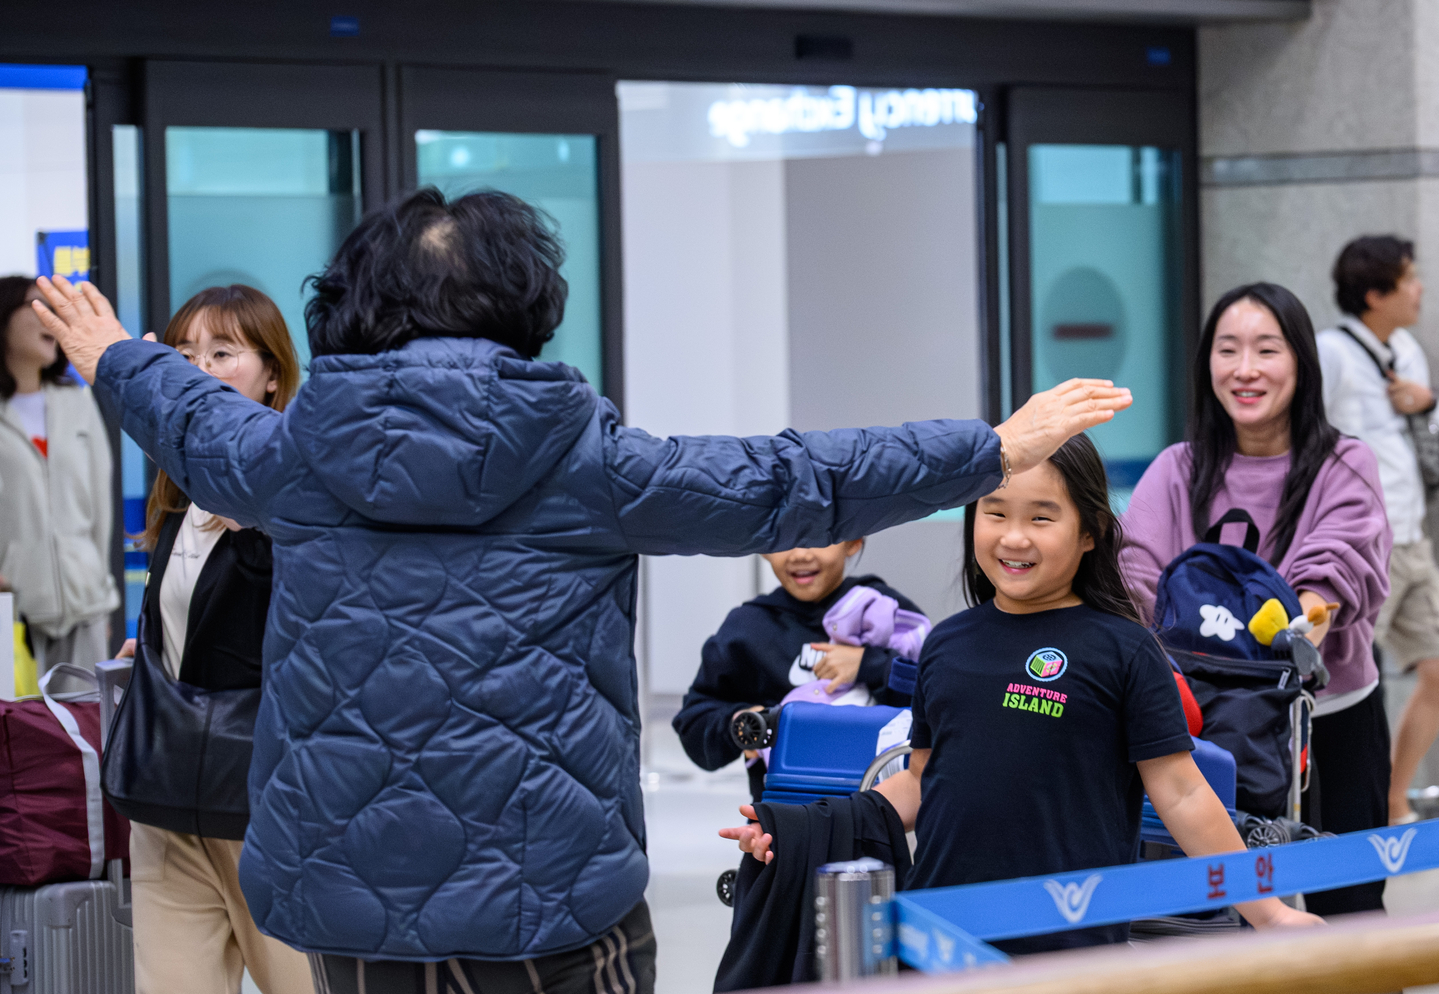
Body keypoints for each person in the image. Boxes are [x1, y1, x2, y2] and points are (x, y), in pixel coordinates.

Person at [32, 187, 1130, 994]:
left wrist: (113, 352)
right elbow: (791, 479)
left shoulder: (294, 456)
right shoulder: (586, 462)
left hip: (348, 902)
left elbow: (189, 416)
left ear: (355, 308)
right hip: (548, 898)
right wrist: (984, 449)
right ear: (525, 309)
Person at [722, 433, 1322, 954]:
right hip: (941, 932)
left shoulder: (1125, 650)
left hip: (1069, 939)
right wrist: (796, 827)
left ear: (1090, 532)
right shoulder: (947, 643)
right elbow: (923, 779)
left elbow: (1184, 794)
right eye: (995, 512)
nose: (1013, 538)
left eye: (1041, 517)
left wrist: (1266, 912)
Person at [1121, 282, 1391, 916]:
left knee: (1347, 909)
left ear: (1301, 361)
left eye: (1266, 350)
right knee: (1216, 917)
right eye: (1227, 349)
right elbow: (1134, 579)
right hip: (1204, 730)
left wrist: (1305, 619)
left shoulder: (1345, 464)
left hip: (1329, 721)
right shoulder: (1175, 469)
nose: (1245, 370)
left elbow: (1334, 573)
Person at [111, 286, 312, 994]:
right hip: (168, 792)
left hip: (268, 807)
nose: (196, 368)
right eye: (182, 353)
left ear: (274, 378)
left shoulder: (300, 507)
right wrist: (159, 648)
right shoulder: (180, 498)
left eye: (222, 353)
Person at [1316, 236, 1439, 825]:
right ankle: (1343, 807)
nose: (1419, 289)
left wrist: (1426, 400)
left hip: (1414, 539)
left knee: (1437, 674)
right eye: (1409, 279)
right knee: (1348, 686)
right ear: (1374, 295)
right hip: (1364, 549)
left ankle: (1393, 797)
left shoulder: (1409, 349)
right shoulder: (1330, 353)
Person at [673, 540, 926, 802]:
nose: (801, 554)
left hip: (884, 814)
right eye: (786, 538)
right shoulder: (746, 628)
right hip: (780, 823)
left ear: (852, 541)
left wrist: (869, 665)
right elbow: (693, 724)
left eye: (818, 537)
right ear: (763, 543)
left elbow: (938, 694)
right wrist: (743, 723)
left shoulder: (885, 610)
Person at [0, 275, 118, 676]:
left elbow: (101, 506)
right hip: (10, 610)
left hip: (83, 606)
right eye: (37, 306)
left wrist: (99, 586)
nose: (51, 319)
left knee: (80, 731)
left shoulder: (78, 404)